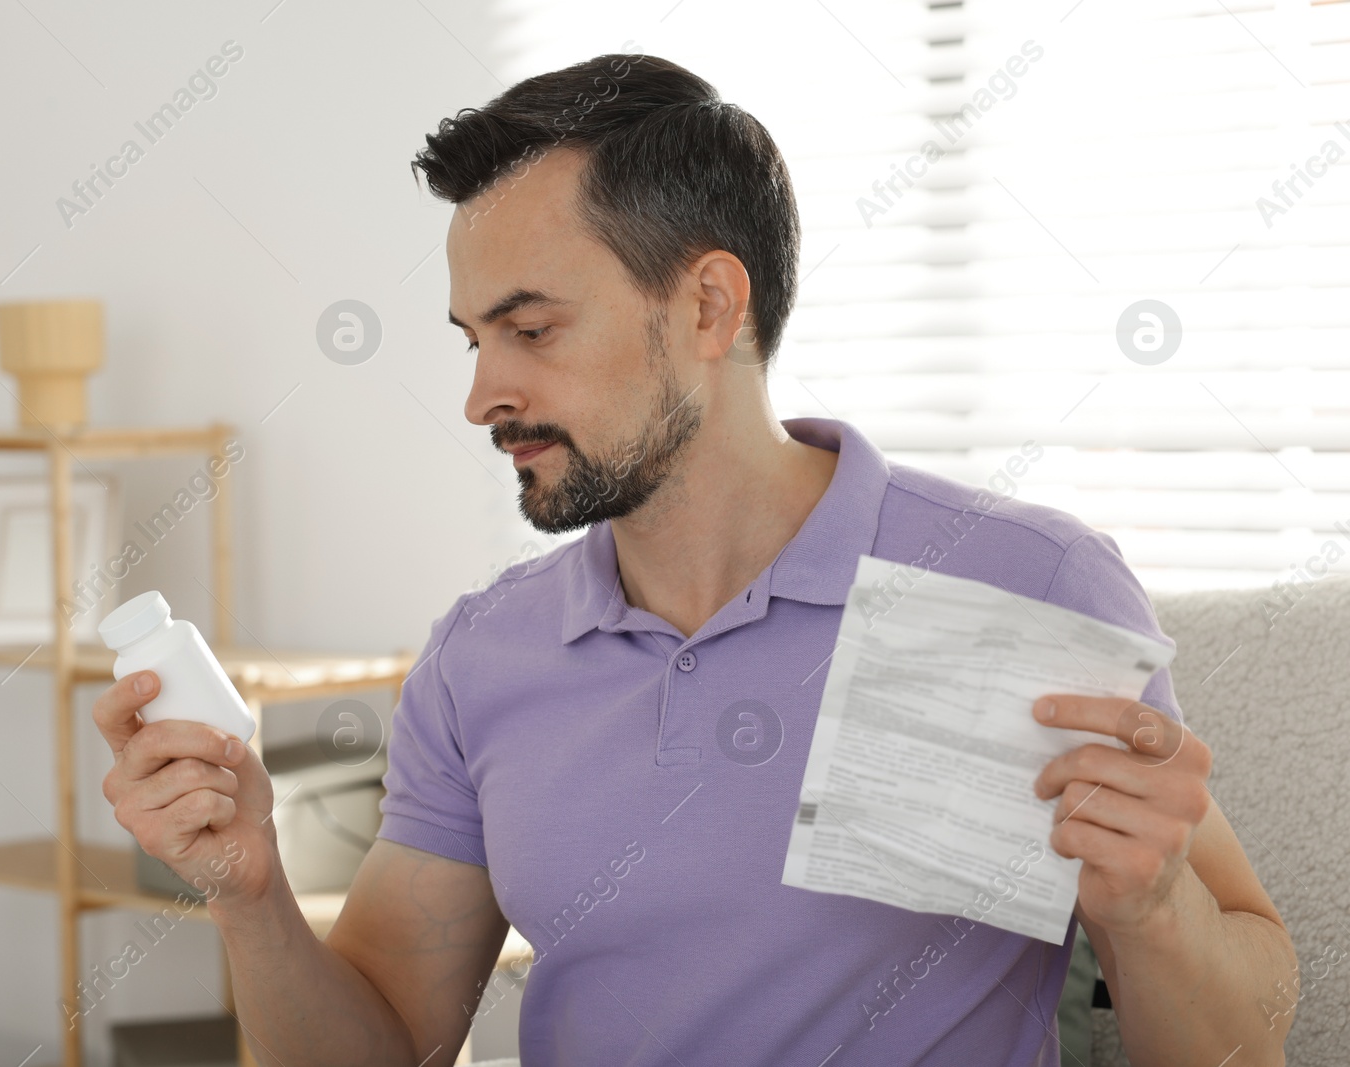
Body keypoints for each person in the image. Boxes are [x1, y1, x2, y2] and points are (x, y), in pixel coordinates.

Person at [93, 53, 1297, 1067]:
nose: (479, 394)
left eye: (530, 328)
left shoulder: (1017, 581)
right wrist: (248, 895)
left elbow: (1249, 1025)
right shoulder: (484, 656)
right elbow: (383, 1041)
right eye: (472, 339)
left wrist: (1149, 912)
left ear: (711, 308)